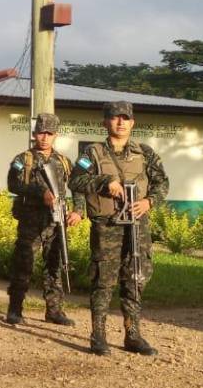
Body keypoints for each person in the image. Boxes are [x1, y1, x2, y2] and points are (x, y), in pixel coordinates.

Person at [69, 100, 169, 356]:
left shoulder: (145, 152)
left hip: (138, 226)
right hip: (107, 225)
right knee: (103, 280)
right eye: (115, 117)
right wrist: (105, 181)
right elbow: (76, 180)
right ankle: (98, 336)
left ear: (133, 123)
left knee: (135, 277)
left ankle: (132, 335)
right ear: (105, 122)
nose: (121, 122)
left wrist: (148, 202)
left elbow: (161, 184)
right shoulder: (91, 153)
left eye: (125, 118)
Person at [5, 112, 85, 325]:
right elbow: (13, 184)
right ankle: (14, 310)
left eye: (49, 133)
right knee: (23, 265)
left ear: (55, 135)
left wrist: (78, 210)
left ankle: (54, 311)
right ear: (34, 134)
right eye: (41, 133)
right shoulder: (23, 159)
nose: (45, 137)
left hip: (56, 221)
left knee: (55, 265)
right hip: (30, 220)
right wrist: (38, 192)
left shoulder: (64, 162)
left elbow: (77, 186)